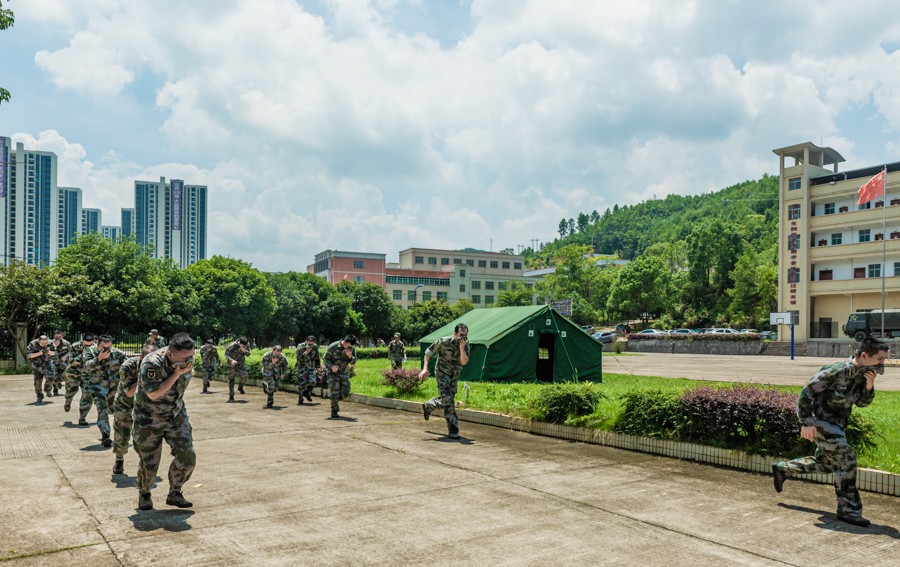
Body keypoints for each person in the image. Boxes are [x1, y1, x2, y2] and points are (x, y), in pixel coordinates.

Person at [771, 337, 889, 527]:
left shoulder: (864, 375)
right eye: (880, 359)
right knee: (847, 459)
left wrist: (869, 386)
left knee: (826, 464)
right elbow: (806, 393)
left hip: (838, 427)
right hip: (821, 423)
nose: (882, 363)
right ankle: (848, 510)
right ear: (865, 355)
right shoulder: (835, 371)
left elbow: (862, 403)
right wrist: (806, 422)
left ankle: (784, 468)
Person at [132, 333, 196, 511]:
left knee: (187, 456)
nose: (190, 360)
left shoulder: (188, 358)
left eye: (191, 355)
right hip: (149, 418)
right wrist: (176, 373)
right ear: (170, 354)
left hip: (175, 415)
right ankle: (144, 493)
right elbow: (153, 394)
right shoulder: (152, 364)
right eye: (185, 357)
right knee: (149, 463)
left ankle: (175, 492)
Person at [419, 323, 470, 440]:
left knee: (448, 399)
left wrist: (462, 348)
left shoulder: (466, 344)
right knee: (448, 400)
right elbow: (428, 352)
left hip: (454, 375)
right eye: (461, 335)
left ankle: (429, 406)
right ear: (455, 333)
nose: (463, 338)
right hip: (442, 373)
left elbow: (464, 362)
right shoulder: (443, 342)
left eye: (465, 335)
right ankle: (453, 430)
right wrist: (425, 368)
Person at [112, 346, 154, 475]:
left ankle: (145, 462)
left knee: (145, 436)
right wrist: (142, 377)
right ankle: (119, 458)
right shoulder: (128, 366)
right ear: (141, 357)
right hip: (124, 405)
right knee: (122, 435)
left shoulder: (156, 366)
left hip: (143, 406)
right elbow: (129, 392)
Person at [82, 335, 128, 448]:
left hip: (114, 388)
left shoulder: (118, 353)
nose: (106, 350)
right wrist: (98, 358)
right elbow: (86, 368)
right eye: (103, 347)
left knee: (116, 410)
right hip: (98, 387)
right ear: (98, 345)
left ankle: (121, 434)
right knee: (102, 410)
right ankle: (105, 435)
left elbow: (128, 366)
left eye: (108, 347)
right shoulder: (90, 352)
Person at [62, 334, 96, 419]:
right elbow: (71, 361)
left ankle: (82, 417)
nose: (88, 347)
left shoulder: (97, 348)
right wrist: (82, 355)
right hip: (73, 372)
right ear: (82, 341)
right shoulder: (75, 346)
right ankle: (68, 401)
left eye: (90, 345)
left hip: (87, 374)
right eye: (86, 345)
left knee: (87, 395)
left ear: (93, 342)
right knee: (70, 392)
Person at [323, 335, 357, 418]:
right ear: (345, 342)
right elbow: (325, 359)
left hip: (344, 372)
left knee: (346, 392)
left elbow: (354, 362)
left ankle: (335, 399)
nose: (350, 348)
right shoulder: (333, 347)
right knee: (335, 392)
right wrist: (331, 367)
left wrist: (350, 356)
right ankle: (334, 410)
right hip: (333, 374)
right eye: (349, 346)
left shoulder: (351, 349)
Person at [26, 334, 56, 403]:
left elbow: (55, 353)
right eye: (42, 343)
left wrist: (49, 352)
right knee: (37, 383)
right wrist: (39, 353)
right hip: (37, 365)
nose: (44, 345)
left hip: (47, 364)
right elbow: (29, 356)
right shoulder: (33, 344)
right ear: (39, 341)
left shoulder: (50, 343)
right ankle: (39, 396)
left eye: (45, 343)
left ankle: (48, 390)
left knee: (51, 377)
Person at [295, 335, 320, 405]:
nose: (310, 345)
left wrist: (318, 367)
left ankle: (306, 393)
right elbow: (299, 359)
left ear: (314, 342)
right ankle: (300, 399)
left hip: (311, 367)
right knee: (301, 384)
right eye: (309, 343)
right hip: (301, 368)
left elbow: (317, 357)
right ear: (306, 341)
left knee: (313, 382)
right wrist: (306, 353)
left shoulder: (315, 347)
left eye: (312, 343)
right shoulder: (300, 347)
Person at [224, 337, 250, 402]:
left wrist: (245, 351)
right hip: (232, 364)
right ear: (239, 342)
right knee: (231, 379)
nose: (244, 346)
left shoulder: (247, 345)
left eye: (245, 345)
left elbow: (248, 354)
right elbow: (226, 354)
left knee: (245, 376)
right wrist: (231, 360)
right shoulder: (232, 345)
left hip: (241, 363)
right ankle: (231, 395)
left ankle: (240, 387)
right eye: (242, 345)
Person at [51, 330, 72, 397]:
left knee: (66, 375)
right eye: (56, 336)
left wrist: (65, 356)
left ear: (62, 336)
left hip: (63, 363)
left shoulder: (66, 343)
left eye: (59, 336)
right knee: (53, 375)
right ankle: (55, 389)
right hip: (54, 363)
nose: (58, 338)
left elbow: (71, 351)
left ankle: (65, 388)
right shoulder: (50, 343)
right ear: (54, 336)